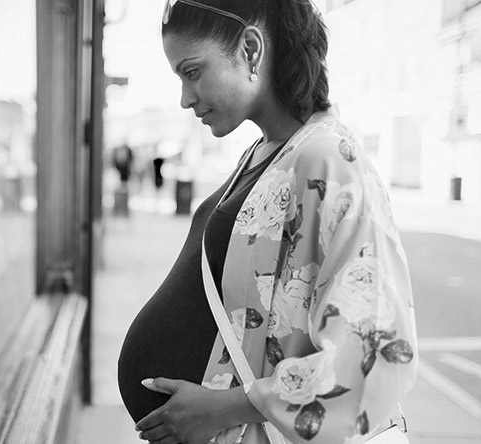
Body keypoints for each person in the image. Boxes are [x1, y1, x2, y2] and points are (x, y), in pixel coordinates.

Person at [117, 1, 418, 443]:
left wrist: (222, 409)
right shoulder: (266, 150)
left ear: (251, 50)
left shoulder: (330, 160)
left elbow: (374, 351)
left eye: (193, 72)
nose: (185, 98)